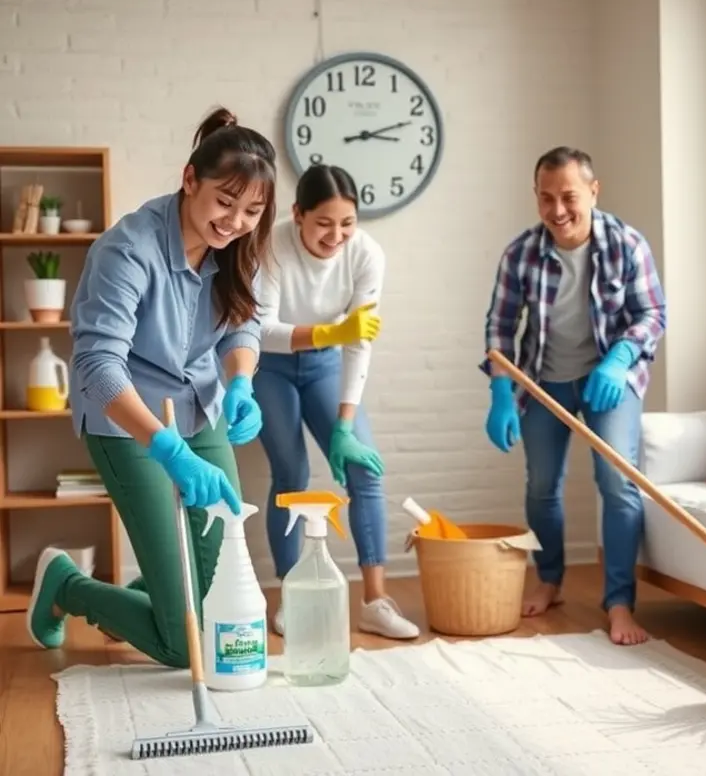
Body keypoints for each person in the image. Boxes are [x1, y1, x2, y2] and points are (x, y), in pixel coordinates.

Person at [25, 107, 277, 668]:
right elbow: (96, 362)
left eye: (252, 211)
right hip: (127, 421)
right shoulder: (127, 249)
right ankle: (66, 585)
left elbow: (244, 323)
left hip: (202, 406)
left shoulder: (240, 247)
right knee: (183, 644)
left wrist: (241, 382)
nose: (235, 222)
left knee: (212, 606)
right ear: (190, 180)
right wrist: (166, 448)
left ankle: (155, 596)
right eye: (224, 202)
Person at [481, 146, 666, 646]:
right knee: (542, 484)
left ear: (593, 191)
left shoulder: (627, 244)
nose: (557, 211)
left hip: (610, 379)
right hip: (545, 380)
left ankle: (620, 603)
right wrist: (502, 391)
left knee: (618, 481)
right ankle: (551, 579)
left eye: (568, 197)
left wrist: (619, 359)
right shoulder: (521, 253)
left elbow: (651, 314)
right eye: (545, 198)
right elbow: (500, 327)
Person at [253, 163, 419, 640]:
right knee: (292, 475)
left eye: (347, 223)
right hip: (272, 365)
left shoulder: (367, 254)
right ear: (298, 214)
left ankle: (375, 601)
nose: (336, 235)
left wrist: (345, 425)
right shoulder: (272, 245)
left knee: (366, 469)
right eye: (324, 223)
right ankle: (290, 598)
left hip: (326, 365)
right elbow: (260, 329)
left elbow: (359, 342)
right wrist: (329, 330)